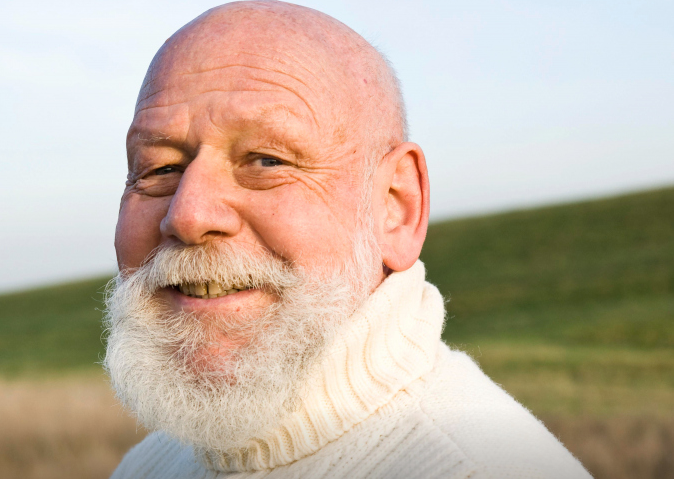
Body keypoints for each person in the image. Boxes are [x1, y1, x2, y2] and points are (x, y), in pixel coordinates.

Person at [104, 1, 590, 478]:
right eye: (160, 169)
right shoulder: (148, 467)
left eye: (267, 160)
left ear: (396, 208)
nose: (187, 215)